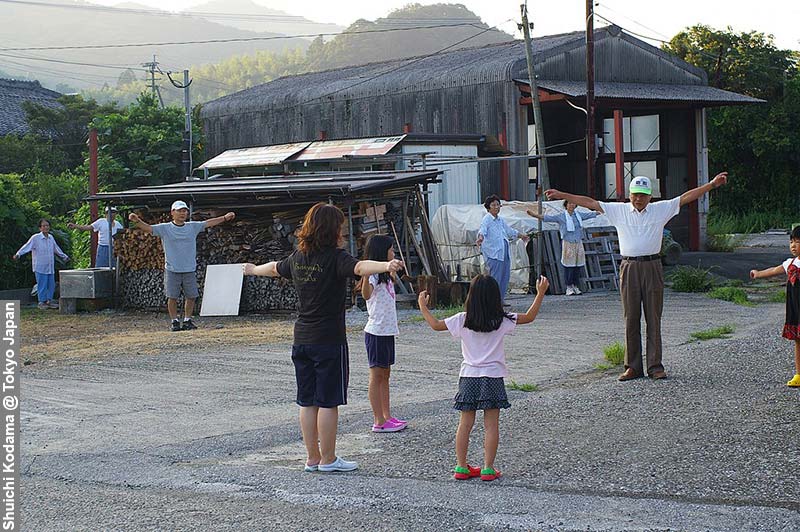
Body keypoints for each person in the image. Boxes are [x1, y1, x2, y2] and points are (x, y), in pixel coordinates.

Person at [243, 202, 404, 473]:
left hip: (302, 339)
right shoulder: (336, 257)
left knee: (308, 401)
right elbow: (362, 267)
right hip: (329, 340)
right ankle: (329, 459)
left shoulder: (297, 257)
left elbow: (272, 268)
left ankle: (313, 458)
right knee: (328, 401)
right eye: (340, 226)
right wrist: (386, 264)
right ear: (332, 230)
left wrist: (251, 269)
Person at [546, 172, 729, 381]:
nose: (639, 199)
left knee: (653, 317)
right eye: (635, 195)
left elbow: (686, 197)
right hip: (629, 266)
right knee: (631, 318)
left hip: (652, 266)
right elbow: (590, 202)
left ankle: (655, 366)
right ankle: (632, 366)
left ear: (650, 197)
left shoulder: (661, 209)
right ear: (629, 195)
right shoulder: (619, 210)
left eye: (643, 195)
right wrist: (563, 195)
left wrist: (712, 185)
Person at [417, 273, 549, 481]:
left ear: (471, 295)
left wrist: (423, 306)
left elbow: (435, 324)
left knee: (465, 423)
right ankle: (488, 468)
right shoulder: (502, 320)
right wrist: (540, 293)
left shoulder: (462, 319)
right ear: (495, 298)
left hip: (469, 376)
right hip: (493, 376)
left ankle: (461, 467)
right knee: (491, 425)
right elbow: (530, 317)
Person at [128, 200, 235, 332]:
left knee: (191, 296)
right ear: (172, 213)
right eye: (179, 211)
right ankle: (174, 321)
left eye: (184, 211)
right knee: (172, 296)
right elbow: (149, 228)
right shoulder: (165, 228)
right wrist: (136, 221)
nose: (182, 213)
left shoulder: (192, 226)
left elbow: (208, 223)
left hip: (189, 268)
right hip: (172, 268)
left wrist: (224, 218)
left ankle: (187, 320)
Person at [361, 235, 406, 433]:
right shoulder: (372, 276)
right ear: (382, 252)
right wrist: (364, 274)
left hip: (387, 331)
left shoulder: (387, 276)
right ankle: (378, 420)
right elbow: (366, 295)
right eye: (391, 250)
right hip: (376, 332)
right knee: (376, 376)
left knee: (386, 375)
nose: (393, 253)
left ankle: (387, 415)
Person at [749, 225, 800, 387]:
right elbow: (774, 270)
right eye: (791, 241)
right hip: (795, 310)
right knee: (798, 341)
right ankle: (799, 374)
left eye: (798, 242)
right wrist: (758, 274)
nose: (793, 245)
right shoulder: (790, 263)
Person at [527, 200, 598, 296]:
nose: (571, 205)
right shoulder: (562, 216)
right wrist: (534, 215)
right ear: (566, 205)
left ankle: (575, 285)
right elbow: (548, 218)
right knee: (569, 264)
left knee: (578, 265)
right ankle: (568, 286)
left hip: (578, 242)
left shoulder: (578, 215)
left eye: (573, 203)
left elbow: (590, 215)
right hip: (568, 242)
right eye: (569, 203)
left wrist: (601, 211)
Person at [476, 195, 530, 305]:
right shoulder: (487, 219)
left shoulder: (500, 220)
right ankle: (492, 301)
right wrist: (480, 237)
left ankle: (500, 299)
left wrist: (521, 235)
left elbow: (509, 231)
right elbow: (483, 229)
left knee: (504, 277)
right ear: (488, 207)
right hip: (494, 253)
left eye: (498, 205)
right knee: (495, 278)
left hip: (503, 252)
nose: (496, 207)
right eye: (493, 205)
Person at [13, 218, 69, 310]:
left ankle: (49, 301)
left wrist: (64, 256)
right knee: (42, 284)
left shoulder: (51, 237)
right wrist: (18, 254)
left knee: (51, 284)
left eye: (47, 225)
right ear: (40, 228)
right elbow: (26, 246)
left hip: (50, 266)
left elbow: (56, 249)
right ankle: (41, 302)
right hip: (40, 266)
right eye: (44, 226)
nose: (46, 227)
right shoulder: (36, 238)